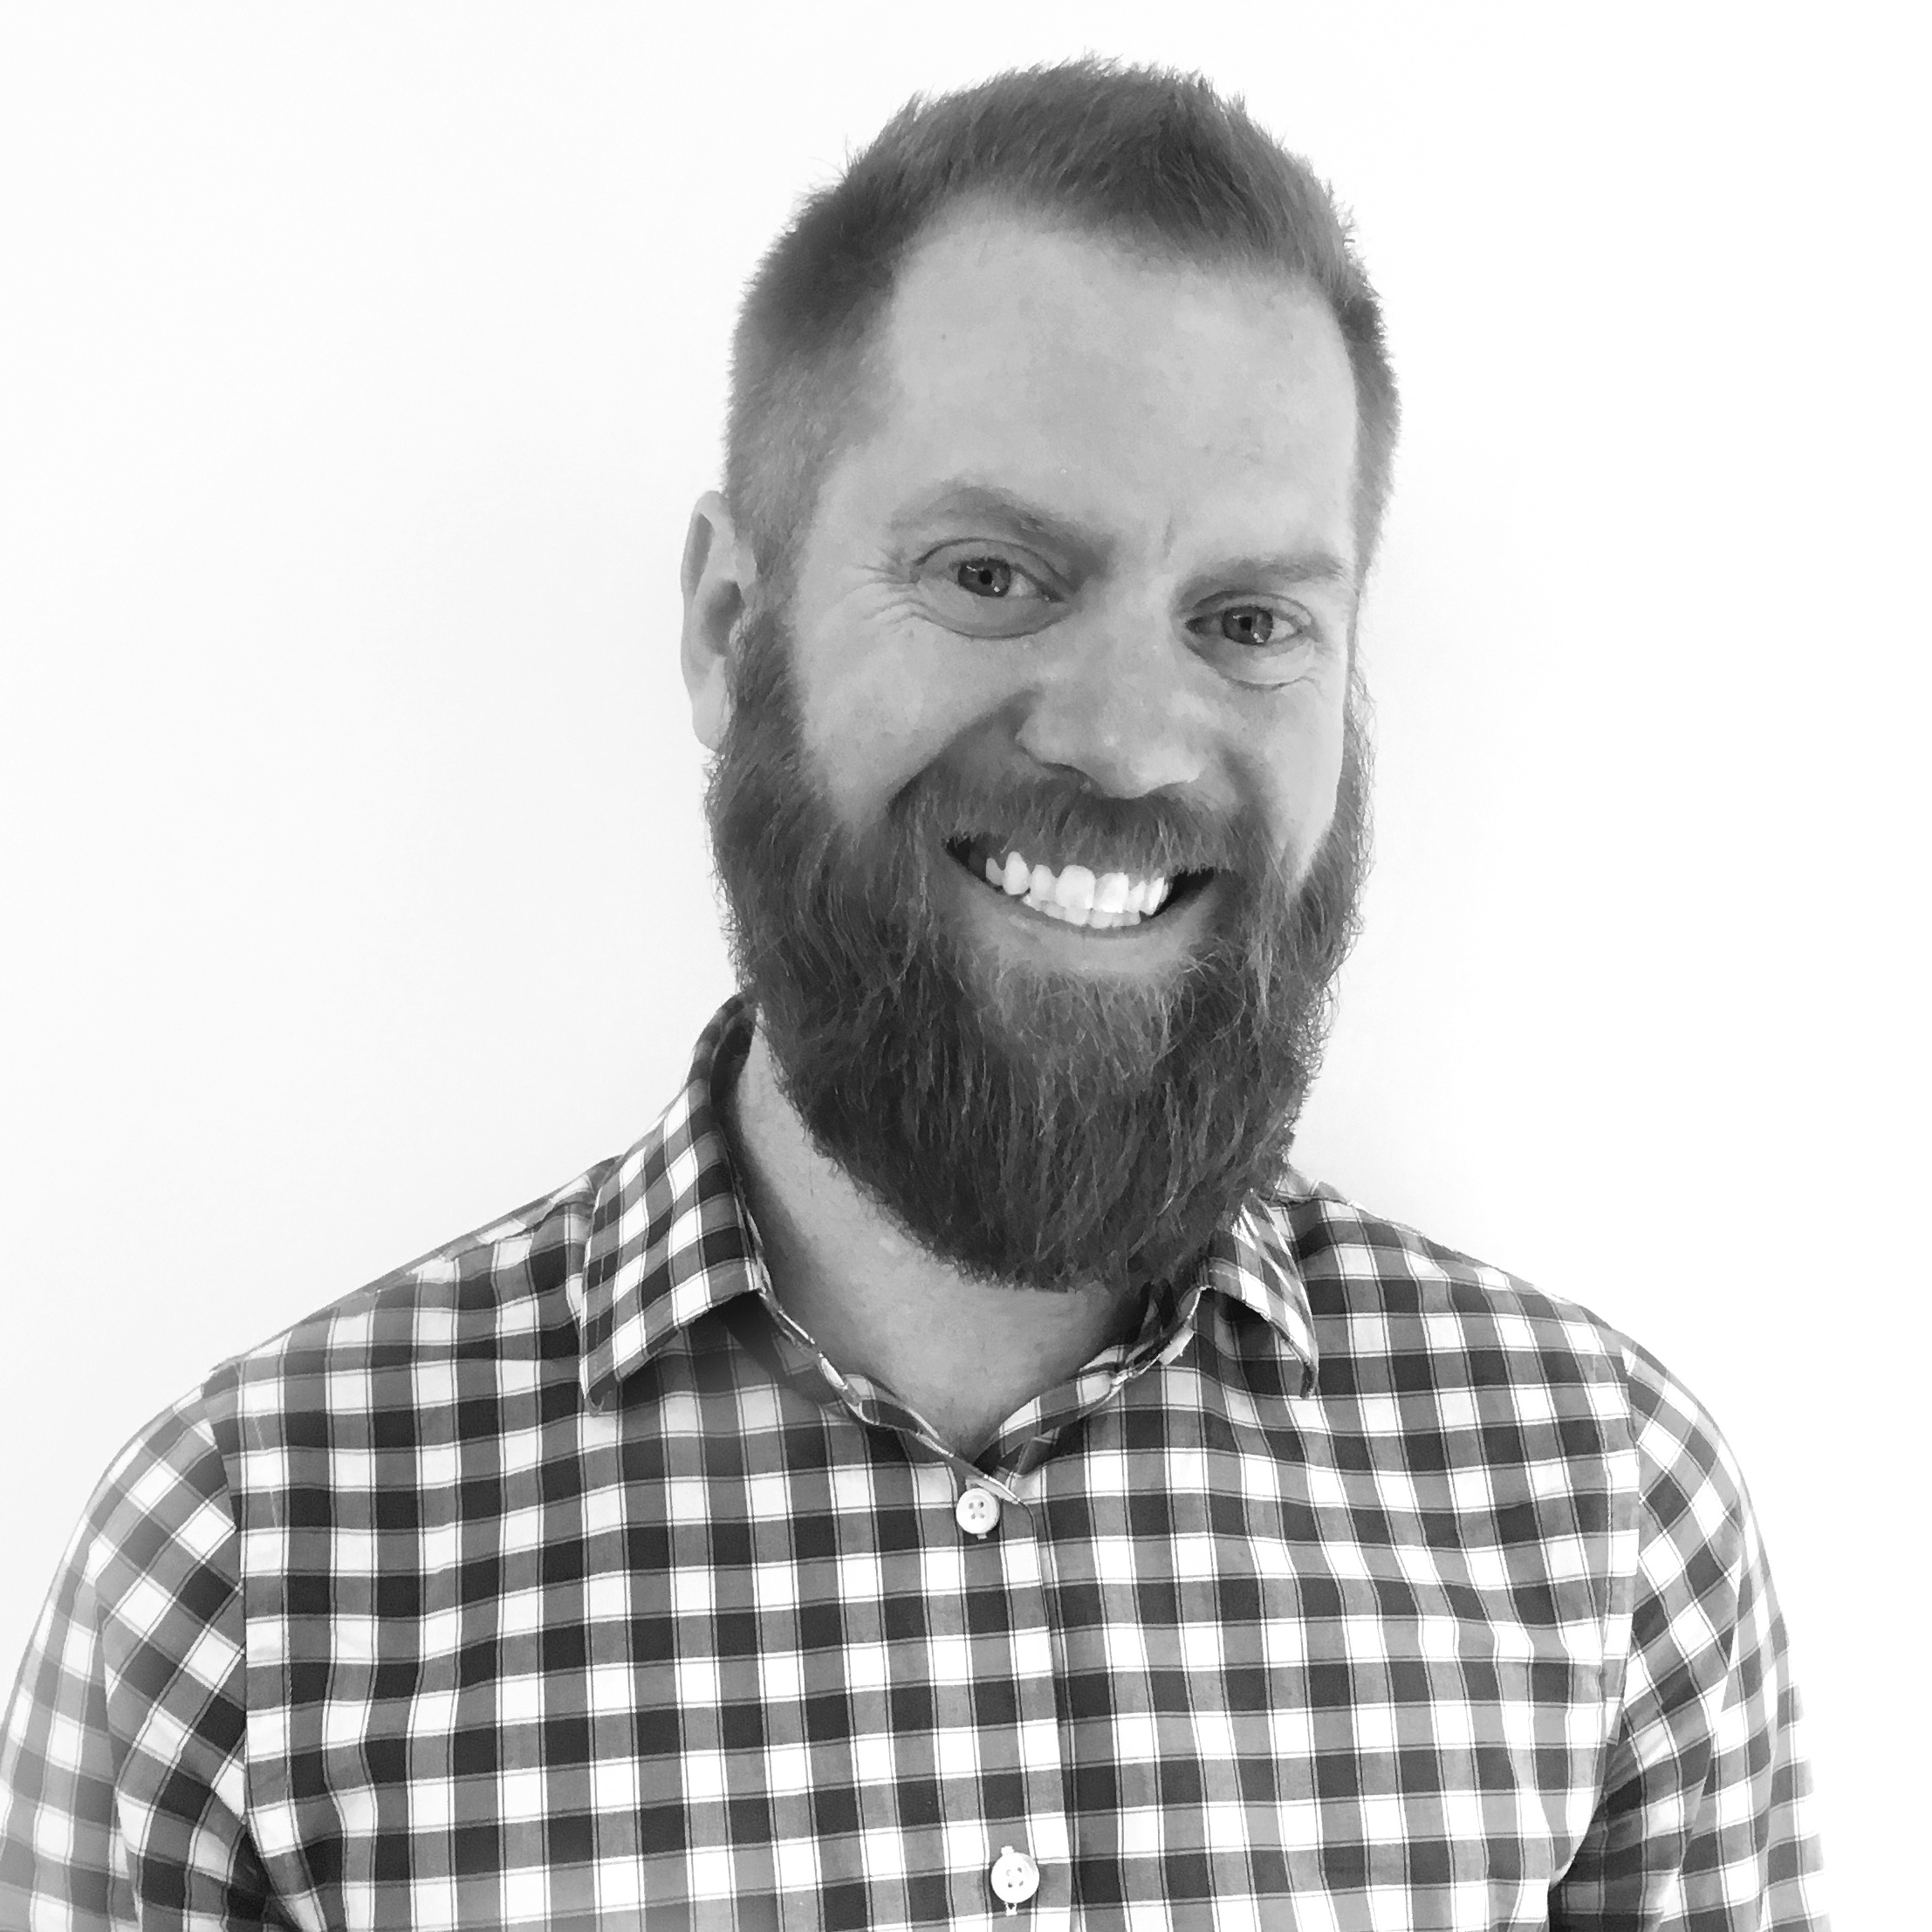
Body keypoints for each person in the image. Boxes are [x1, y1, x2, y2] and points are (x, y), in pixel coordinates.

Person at [0, 61, 1826, 1931]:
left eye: (1249, 622)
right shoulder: (245, 1587)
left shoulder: (1607, 1523)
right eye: (992, 573)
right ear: (731, 630)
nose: (1129, 739)